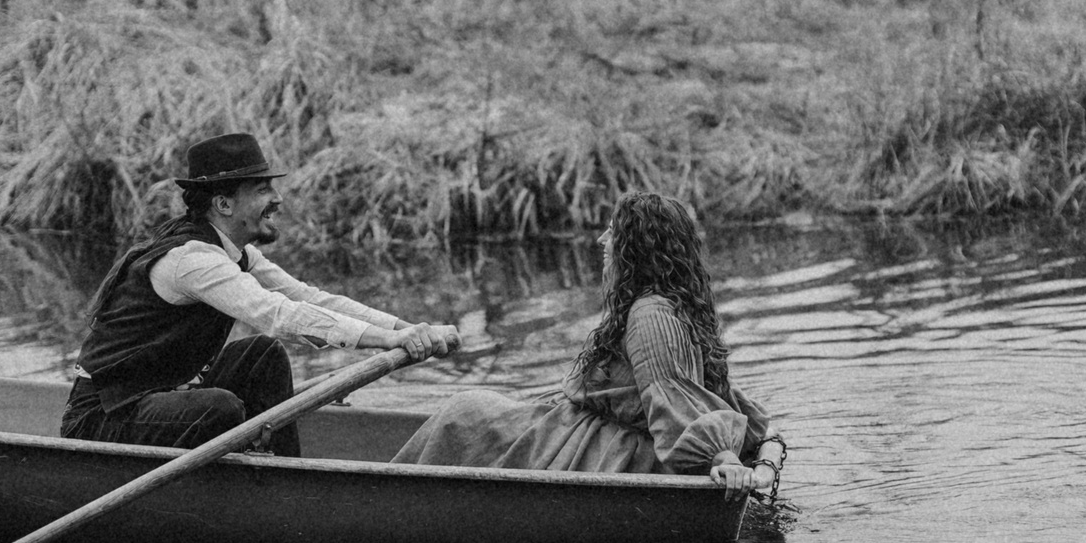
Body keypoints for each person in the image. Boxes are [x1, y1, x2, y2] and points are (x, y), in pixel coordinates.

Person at [62, 132, 458, 453]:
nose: (278, 199)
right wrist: (388, 341)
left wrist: (407, 328)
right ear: (224, 203)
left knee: (262, 355)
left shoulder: (236, 253)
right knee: (219, 408)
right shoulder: (194, 262)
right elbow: (279, 314)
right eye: (262, 190)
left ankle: (284, 475)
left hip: (159, 396)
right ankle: (258, 489)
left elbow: (308, 298)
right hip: (102, 417)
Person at [389, 192, 777, 485]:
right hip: (582, 432)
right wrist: (755, 433)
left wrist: (721, 455)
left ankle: (391, 500)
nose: (602, 241)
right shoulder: (670, 305)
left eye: (613, 232)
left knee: (463, 414)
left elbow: (672, 393)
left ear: (637, 250)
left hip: (602, 452)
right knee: (469, 411)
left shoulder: (651, 314)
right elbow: (697, 390)